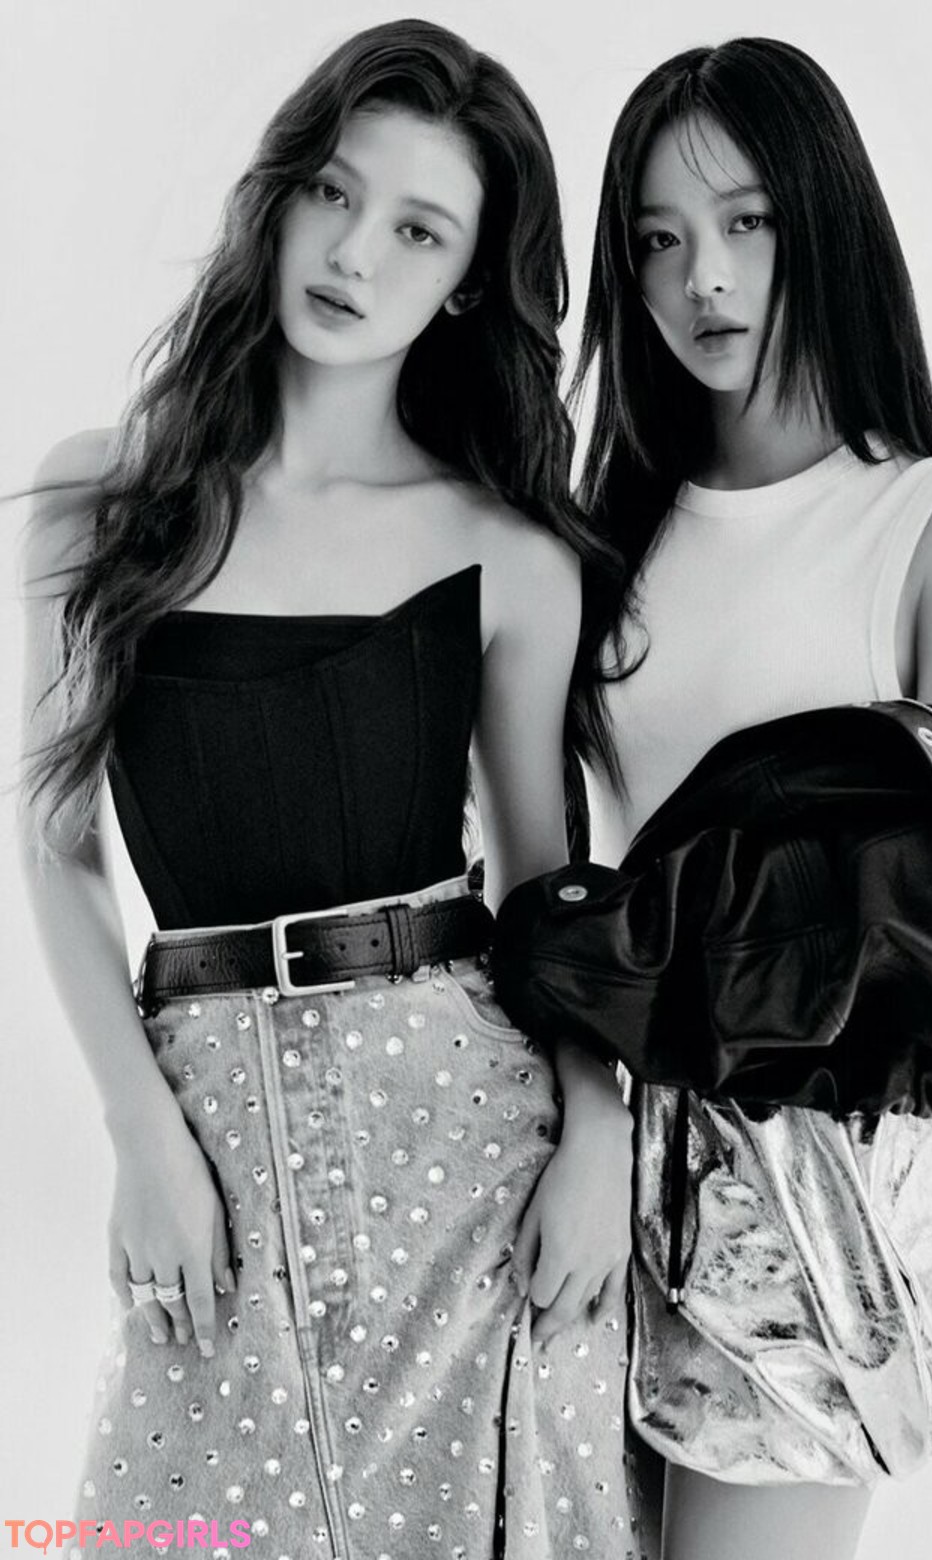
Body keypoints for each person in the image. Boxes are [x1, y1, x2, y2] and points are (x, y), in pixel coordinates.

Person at [20, 21, 653, 1559]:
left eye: (421, 230)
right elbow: (54, 844)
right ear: (280, 192)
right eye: (334, 192)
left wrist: (598, 1130)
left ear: (469, 285)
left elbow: (545, 891)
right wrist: (140, 1133)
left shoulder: (507, 555)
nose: (357, 252)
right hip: (205, 1130)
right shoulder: (97, 499)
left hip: (466, 1142)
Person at [571, 37, 932, 1560]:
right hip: (595, 1140)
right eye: (658, 239)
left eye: (747, 222)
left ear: (826, 218)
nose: (702, 276)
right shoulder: (602, 541)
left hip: (820, 1170)